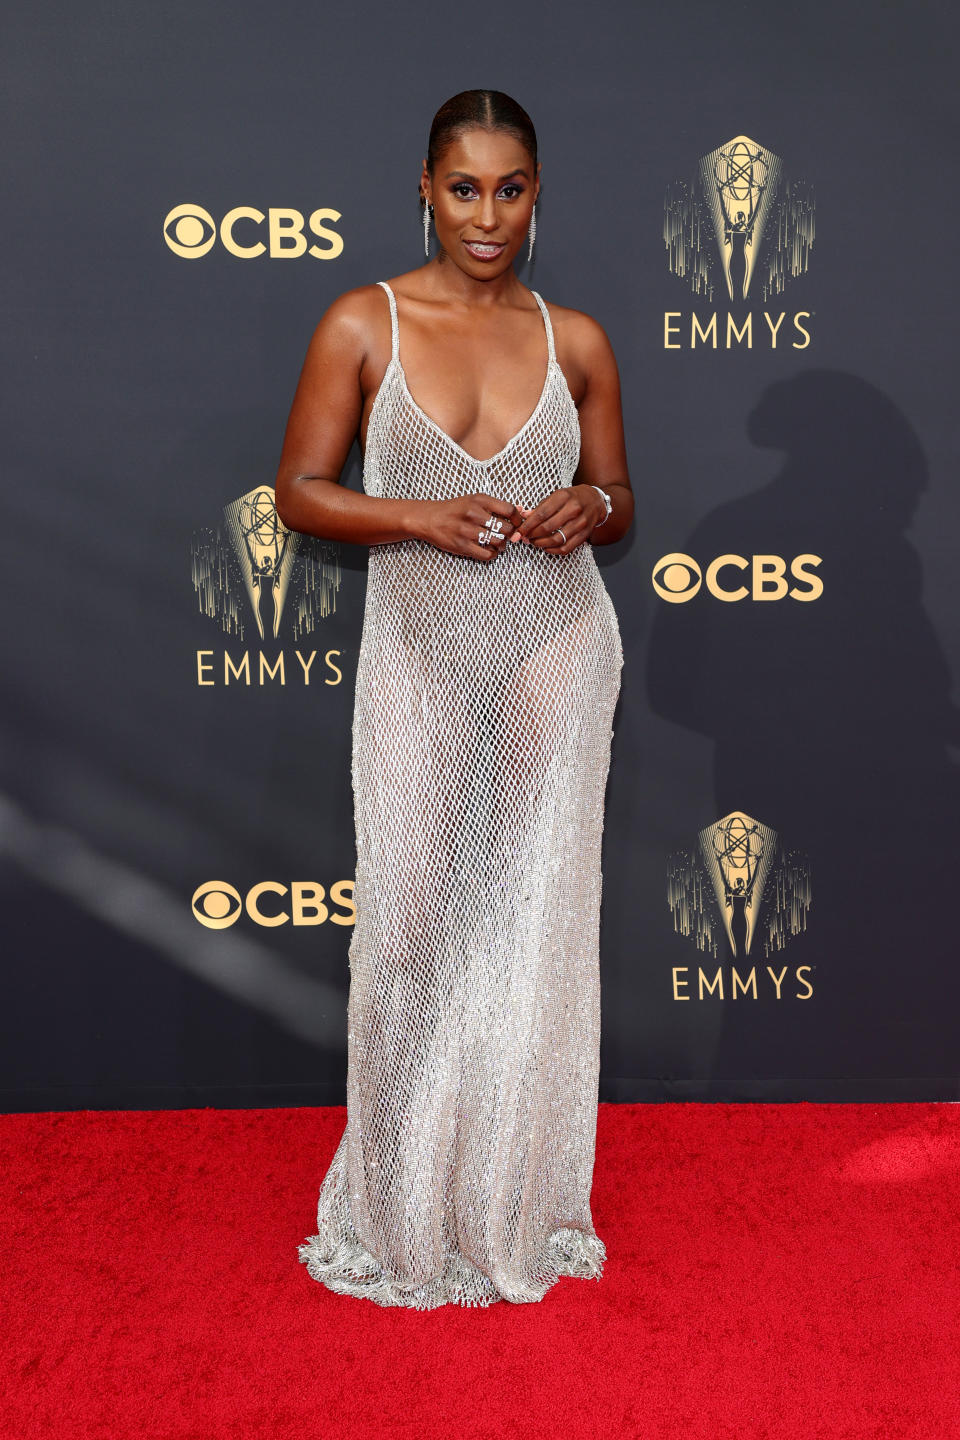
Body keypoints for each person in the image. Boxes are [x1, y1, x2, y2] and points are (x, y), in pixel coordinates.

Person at [276, 89, 633, 1309]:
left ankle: (516, 1200)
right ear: (424, 188)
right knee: (417, 930)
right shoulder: (360, 322)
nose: (489, 215)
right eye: (465, 187)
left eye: (512, 188)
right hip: (422, 654)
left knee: (536, 929)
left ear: (541, 195)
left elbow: (617, 496)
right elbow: (302, 492)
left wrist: (595, 506)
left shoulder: (575, 338)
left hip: (556, 646)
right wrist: (418, 515)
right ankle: (400, 1204)